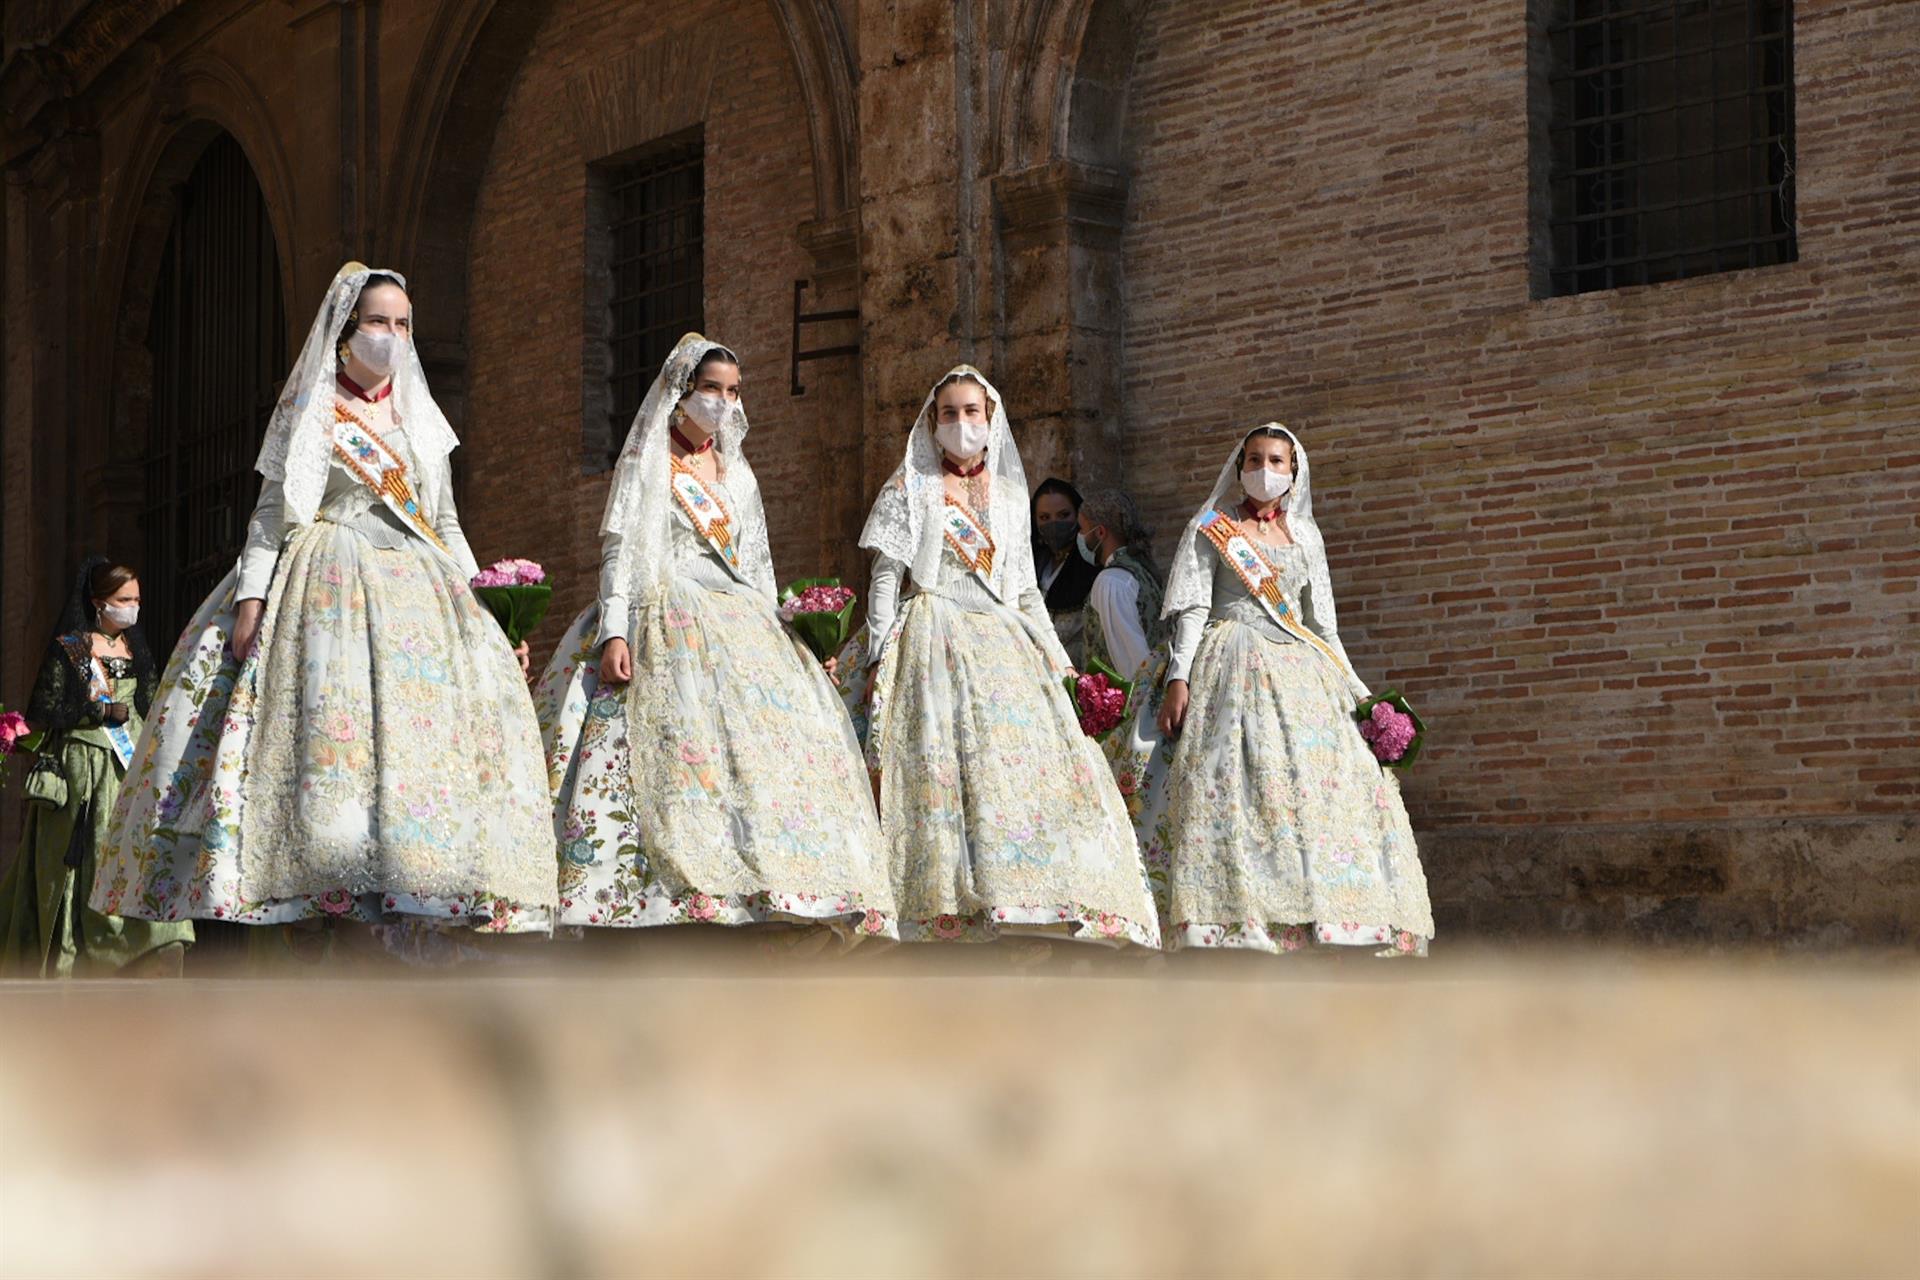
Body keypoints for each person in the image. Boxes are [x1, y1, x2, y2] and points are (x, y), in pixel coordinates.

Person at [92, 263, 557, 951]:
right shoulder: (312, 408)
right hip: (326, 586)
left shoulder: (421, 419)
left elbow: (446, 524)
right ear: (346, 331)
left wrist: (489, 611)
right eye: (378, 322)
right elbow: (270, 514)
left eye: (403, 324)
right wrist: (251, 599)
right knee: (327, 739)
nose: (392, 335)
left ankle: (411, 886)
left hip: (420, 591)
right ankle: (318, 892)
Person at [533, 334, 894, 938]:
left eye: (733, 392)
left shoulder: (738, 473)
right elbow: (620, 553)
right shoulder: (647, 461)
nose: (723, 403)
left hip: (741, 618)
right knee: (676, 749)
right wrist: (614, 632)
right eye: (711, 389)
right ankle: (667, 898)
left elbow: (758, 566)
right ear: (681, 391)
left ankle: (775, 890)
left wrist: (795, 639)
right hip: (665, 611)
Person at [854, 365, 1158, 946]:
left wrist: (1061, 666)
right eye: (949, 413)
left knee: (1024, 767)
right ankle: (948, 910)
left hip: (1004, 636)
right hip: (934, 630)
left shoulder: (1013, 496)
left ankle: (1033, 901)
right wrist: (876, 656)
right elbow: (886, 578)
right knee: (944, 771)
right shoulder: (910, 487)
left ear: (989, 418)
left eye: (971, 412)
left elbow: (1023, 592)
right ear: (932, 422)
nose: (961, 422)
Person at [1106, 424, 1433, 955]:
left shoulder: (1306, 537)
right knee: (1231, 783)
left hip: (1302, 671)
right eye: (1254, 459)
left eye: (1276, 461)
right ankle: (1230, 920)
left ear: (1293, 471)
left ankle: (1324, 917)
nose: (1265, 470)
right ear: (1239, 469)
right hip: (1229, 661)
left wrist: (1361, 695)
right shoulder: (1212, 527)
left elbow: (1322, 628)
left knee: (1314, 790)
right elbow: (1194, 609)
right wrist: (1179, 677)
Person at [0, 558, 194, 975]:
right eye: (123, 600)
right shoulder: (72, 648)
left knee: (141, 845)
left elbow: (150, 702)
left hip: (130, 763)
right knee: (90, 850)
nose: (132, 607)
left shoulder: (134, 648)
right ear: (97, 602)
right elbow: (46, 709)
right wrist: (99, 712)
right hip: (85, 765)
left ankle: (156, 940)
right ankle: (86, 949)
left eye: (136, 600)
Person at [1073, 487, 1166, 683]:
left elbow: (1132, 661)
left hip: (1127, 698)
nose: (1079, 536)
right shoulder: (1141, 570)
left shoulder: (1112, 581)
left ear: (1100, 532)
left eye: (1081, 529)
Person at [1030, 477, 1096, 663]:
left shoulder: (1091, 566)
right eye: (1045, 518)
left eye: (1063, 515)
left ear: (1078, 515)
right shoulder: (1033, 563)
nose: (1054, 524)